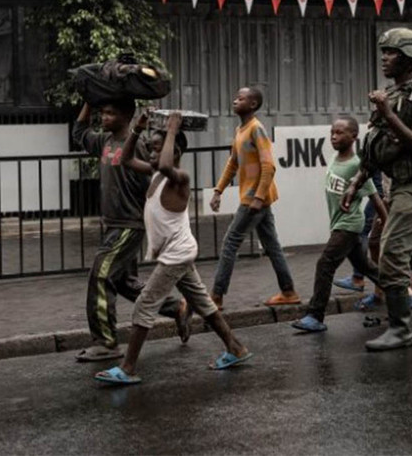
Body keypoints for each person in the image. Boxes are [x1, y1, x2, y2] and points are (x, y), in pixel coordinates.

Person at [94, 111, 252, 385]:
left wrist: (171, 130)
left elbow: (166, 163)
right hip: (178, 253)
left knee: (144, 305)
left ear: (175, 151)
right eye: (152, 150)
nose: (152, 155)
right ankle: (236, 348)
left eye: (156, 150)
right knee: (203, 303)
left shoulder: (180, 177)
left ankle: (128, 368)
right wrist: (136, 130)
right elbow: (128, 160)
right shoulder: (157, 174)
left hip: (175, 256)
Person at [342, 28, 412, 351]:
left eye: (392, 53)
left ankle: (401, 329)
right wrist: (357, 182)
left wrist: (387, 112)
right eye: (384, 52)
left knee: (392, 255)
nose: (384, 58)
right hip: (399, 185)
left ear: (410, 57)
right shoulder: (396, 92)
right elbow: (377, 146)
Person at [72, 100, 188, 362]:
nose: (104, 117)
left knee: (100, 276)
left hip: (129, 224)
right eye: (103, 113)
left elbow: (163, 168)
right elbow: (78, 133)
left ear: (126, 116)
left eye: (111, 112)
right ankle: (176, 307)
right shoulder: (104, 142)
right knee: (124, 282)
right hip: (113, 223)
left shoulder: (141, 145)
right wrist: (90, 102)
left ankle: (105, 342)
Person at [292, 117, 387, 332]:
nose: (334, 137)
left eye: (340, 133)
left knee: (324, 264)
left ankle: (316, 315)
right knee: (365, 267)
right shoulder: (336, 158)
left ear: (353, 137)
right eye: (332, 132)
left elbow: (374, 194)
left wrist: (385, 219)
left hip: (349, 224)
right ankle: (399, 290)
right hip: (339, 225)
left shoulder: (356, 165)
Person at [209, 87, 300, 309]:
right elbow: (233, 163)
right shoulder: (241, 130)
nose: (234, 100)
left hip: (254, 199)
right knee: (272, 245)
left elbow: (269, 165)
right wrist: (218, 190)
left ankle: (216, 296)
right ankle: (288, 291)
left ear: (252, 105)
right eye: (235, 96)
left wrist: (258, 197)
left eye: (240, 98)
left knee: (230, 242)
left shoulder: (256, 129)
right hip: (257, 198)